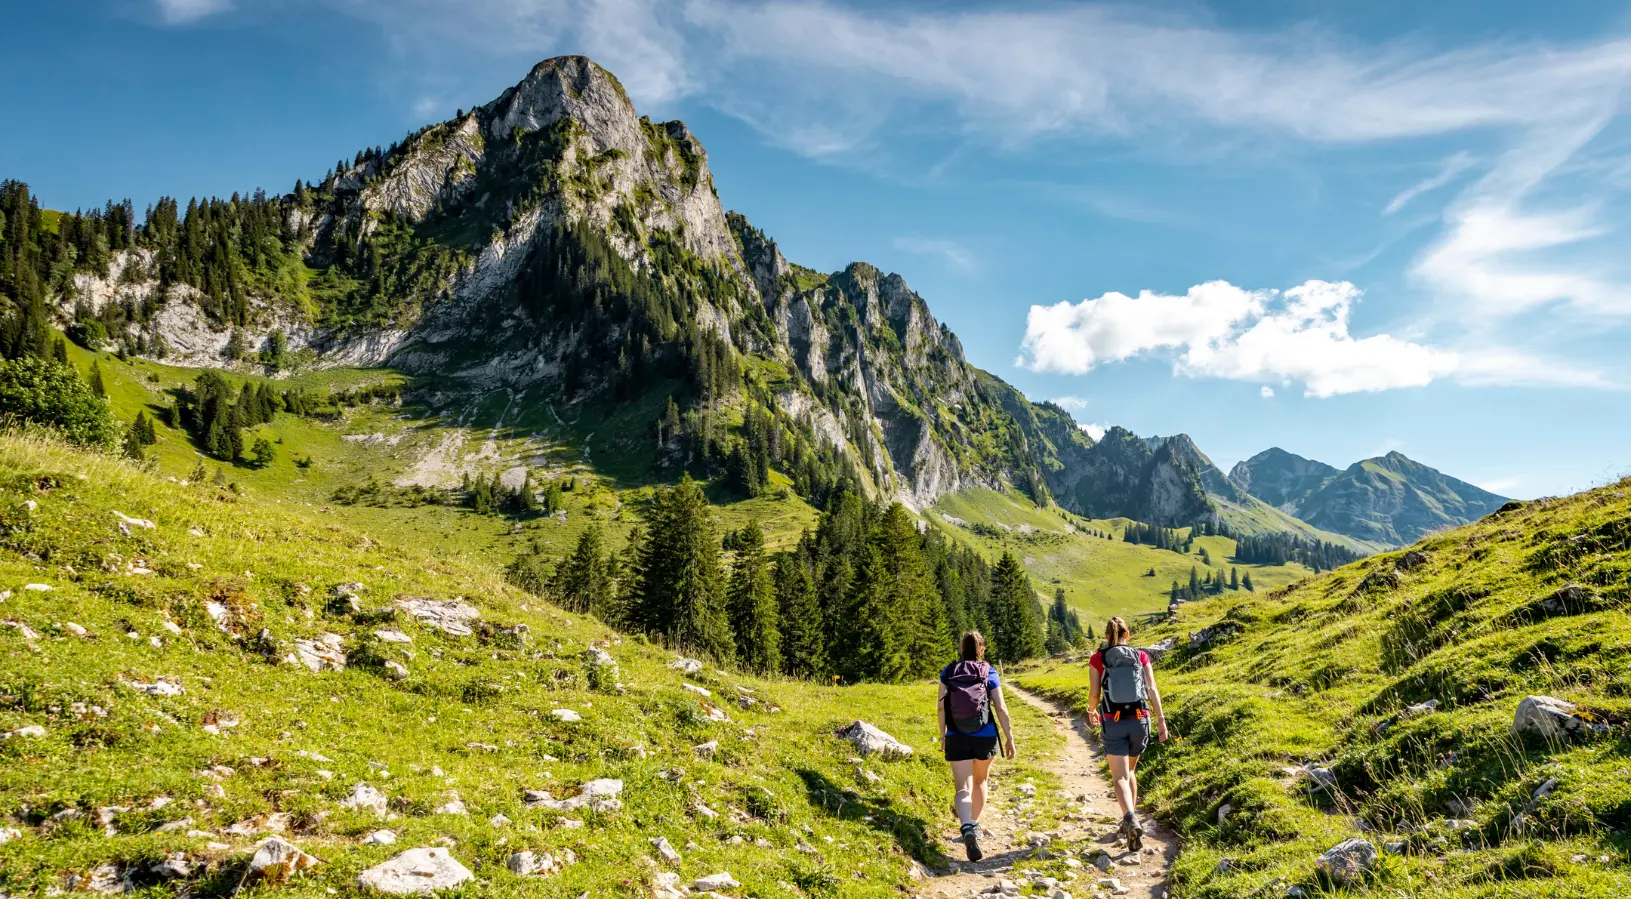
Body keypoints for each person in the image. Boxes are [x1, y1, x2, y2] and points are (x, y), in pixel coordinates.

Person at [1086, 616, 1170, 851]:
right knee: (1131, 770)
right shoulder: (1141, 655)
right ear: (1127, 634)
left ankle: (1129, 818)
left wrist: (1091, 710)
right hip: (1140, 719)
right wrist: (1161, 721)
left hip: (1113, 721)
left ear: (1106, 636)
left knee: (1119, 777)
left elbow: (1094, 693)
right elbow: (1152, 688)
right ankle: (1130, 820)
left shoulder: (1098, 659)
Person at [938, 631, 1015, 862]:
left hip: (955, 734)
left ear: (962, 649)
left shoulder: (948, 671)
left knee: (962, 787)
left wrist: (942, 736)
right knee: (981, 780)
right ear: (981, 650)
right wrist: (1009, 736)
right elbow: (1000, 707)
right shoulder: (988, 671)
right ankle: (975, 823)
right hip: (985, 735)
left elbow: (941, 708)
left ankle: (966, 829)